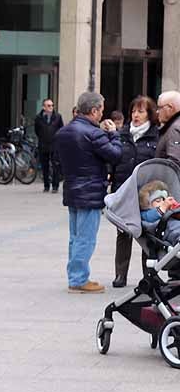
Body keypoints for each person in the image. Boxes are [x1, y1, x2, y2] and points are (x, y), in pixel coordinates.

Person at [53, 91, 122, 294]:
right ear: (93, 110)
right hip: (90, 191)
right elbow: (115, 155)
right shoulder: (94, 133)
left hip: (72, 189)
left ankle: (75, 275)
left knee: (75, 237)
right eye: (101, 109)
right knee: (86, 237)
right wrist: (114, 134)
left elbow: (56, 161)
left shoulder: (64, 131)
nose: (102, 113)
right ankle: (79, 279)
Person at [110, 96, 158, 288]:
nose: (135, 115)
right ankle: (120, 275)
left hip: (147, 192)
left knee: (147, 234)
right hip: (124, 189)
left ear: (149, 114)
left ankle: (149, 276)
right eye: (133, 111)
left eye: (141, 111)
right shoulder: (122, 134)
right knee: (123, 233)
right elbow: (113, 161)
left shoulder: (156, 135)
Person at [34, 98, 64, 193]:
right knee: (44, 166)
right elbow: (37, 130)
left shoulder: (58, 117)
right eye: (49, 105)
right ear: (44, 107)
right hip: (43, 145)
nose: (51, 107)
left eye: (52, 105)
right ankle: (46, 185)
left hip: (54, 145)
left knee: (56, 166)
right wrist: (42, 138)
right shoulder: (39, 117)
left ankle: (55, 186)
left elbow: (61, 129)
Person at [156, 90, 180, 165]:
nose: (157, 111)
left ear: (170, 108)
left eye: (160, 107)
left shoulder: (174, 128)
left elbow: (174, 161)